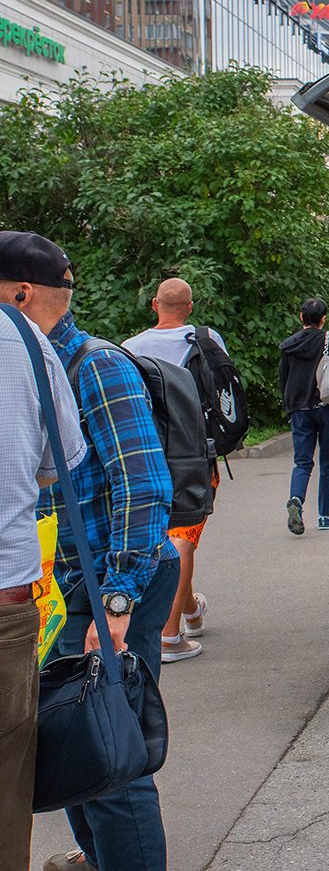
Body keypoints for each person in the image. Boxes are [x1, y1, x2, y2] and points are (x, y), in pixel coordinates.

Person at [1, 231, 178, 870]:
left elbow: (144, 485)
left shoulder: (91, 365)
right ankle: (95, 858)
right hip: (66, 583)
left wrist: (118, 598)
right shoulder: (29, 363)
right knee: (70, 733)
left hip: (109, 581)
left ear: (21, 293)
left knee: (111, 750)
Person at [0, 234, 85, 871]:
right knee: (7, 773)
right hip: (4, 597)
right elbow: (61, 463)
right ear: (23, 292)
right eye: (61, 299)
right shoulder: (31, 349)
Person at [124, 277, 218, 664]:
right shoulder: (204, 339)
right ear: (190, 307)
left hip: (146, 453)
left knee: (164, 531)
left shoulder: (129, 348)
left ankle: (191, 609)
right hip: (192, 454)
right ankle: (168, 635)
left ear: (153, 304)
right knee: (183, 534)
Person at [278, 298, 329, 534]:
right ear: (323, 318)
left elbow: (284, 378)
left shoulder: (288, 345)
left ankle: (296, 499)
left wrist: (289, 405)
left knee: (302, 462)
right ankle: (324, 516)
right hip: (326, 407)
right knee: (328, 462)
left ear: (301, 317)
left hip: (299, 409)